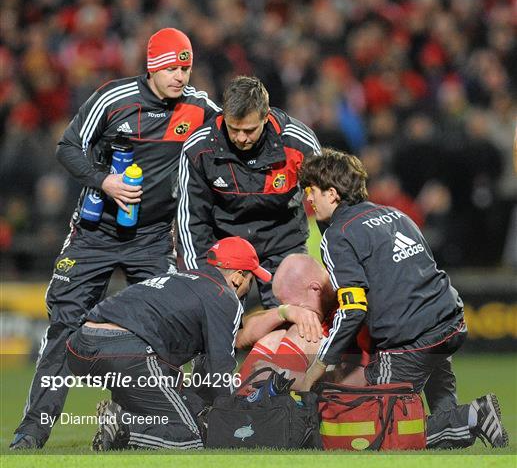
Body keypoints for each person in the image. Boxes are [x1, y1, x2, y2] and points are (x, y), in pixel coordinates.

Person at [11, 28, 221, 450]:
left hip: (153, 238)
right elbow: (67, 146)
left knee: (165, 330)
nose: (181, 75)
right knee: (65, 326)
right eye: (172, 67)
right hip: (95, 234)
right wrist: (103, 180)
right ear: (152, 65)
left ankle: (142, 424)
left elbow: (236, 131)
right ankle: (32, 433)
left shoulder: (200, 108)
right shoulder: (113, 98)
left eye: (186, 66)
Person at [297, 148, 508, 449]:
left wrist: (319, 365)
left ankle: (473, 417)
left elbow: (354, 308)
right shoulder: (395, 214)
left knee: (382, 428)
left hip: (411, 338)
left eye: (312, 191)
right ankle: (455, 424)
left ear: (332, 194)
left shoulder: (338, 235)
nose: (309, 199)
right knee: (437, 384)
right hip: (448, 320)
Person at [65, 236, 270, 451]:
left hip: (79, 346)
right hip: (125, 351)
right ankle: (124, 425)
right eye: (251, 280)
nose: (249, 288)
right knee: (190, 437)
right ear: (238, 278)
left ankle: (126, 413)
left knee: (171, 394)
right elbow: (220, 372)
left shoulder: (179, 278)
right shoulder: (224, 296)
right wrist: (238, 418)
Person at [176, 75, 321, 309]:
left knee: (297, 322)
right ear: (223, 116)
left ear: (266, 117)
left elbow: (327, 201)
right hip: (226, 247)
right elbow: (191, 220)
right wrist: (202, 280)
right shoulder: (199, 149)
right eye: (234, 129)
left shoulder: (298, 144)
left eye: (249, 130)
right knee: (215, 322)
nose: (241, 138)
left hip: (283, 243)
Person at [236, 253, 369, 390]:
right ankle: (235, 405)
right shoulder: (316, 301)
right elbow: (241, 337)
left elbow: (362, 379)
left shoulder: (355, 303)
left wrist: (283, 376)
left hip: (355, 396)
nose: (300, 314)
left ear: (315, 289)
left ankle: (262, 405)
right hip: (319, 374)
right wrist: (284, 312)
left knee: (300, 334)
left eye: (299, 307)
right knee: (273, 338)